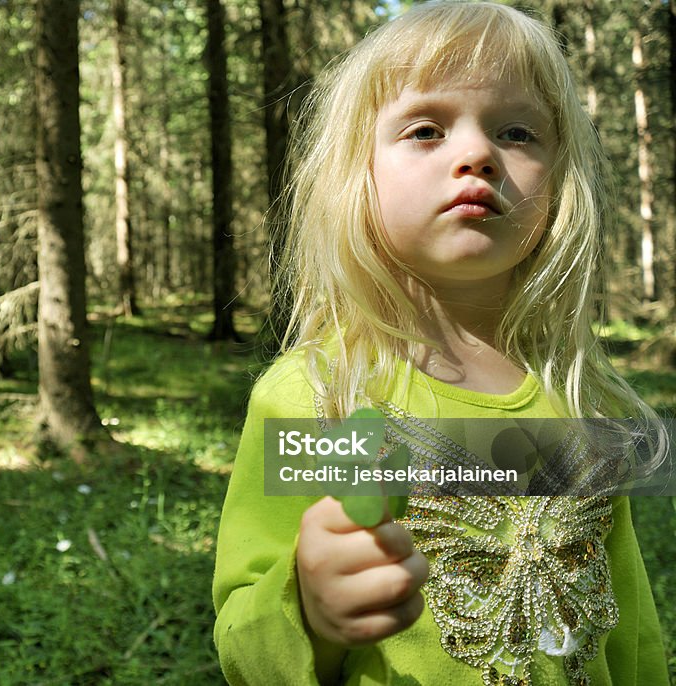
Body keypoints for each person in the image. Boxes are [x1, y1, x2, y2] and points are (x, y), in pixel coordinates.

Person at [212, 2, 670, 685]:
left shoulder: (584, 398)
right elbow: (244, 645)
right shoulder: (326, 397)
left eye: (517, 131)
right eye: (426, 130)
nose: (478, 154)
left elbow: (630, 628)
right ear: (357, 176)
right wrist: (309, 611)